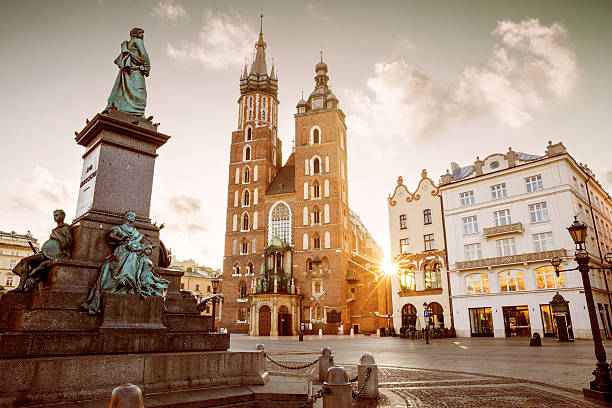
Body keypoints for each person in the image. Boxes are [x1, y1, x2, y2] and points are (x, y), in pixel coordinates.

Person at [81, 211, 167, 314]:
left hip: (133, 251)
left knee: (133, 256)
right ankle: (123, 279)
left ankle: (126, 280)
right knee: (129, 257)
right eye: (131, 215)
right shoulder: (120, 228)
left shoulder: (135, 231)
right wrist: (121, 238)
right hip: (122, 250)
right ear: (126, 217)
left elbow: (141, 242)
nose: (133, 217)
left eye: (134, 216)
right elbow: (111, 235)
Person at [13, 209, 73, 292]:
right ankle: (25, 285)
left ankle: (24, 286)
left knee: (32, 266)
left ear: (62, 216)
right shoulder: (56, 229)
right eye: (54, 216)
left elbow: (67, 244)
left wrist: (56, 234)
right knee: (25, 261)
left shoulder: (66, 228)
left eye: (57, 215)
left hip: (57, 254)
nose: (55, 217)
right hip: (46, 253)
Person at [106, 28, 150, 117]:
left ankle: (125, 109)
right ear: (136, 34)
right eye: (141, 33)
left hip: (128, 71)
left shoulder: (128, 45)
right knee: (140, 92)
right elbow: (144, 54)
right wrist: (147, 67)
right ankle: (138, 112)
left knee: (126, 91)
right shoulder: (138, 41)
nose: (142, 35)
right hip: (137, 70)